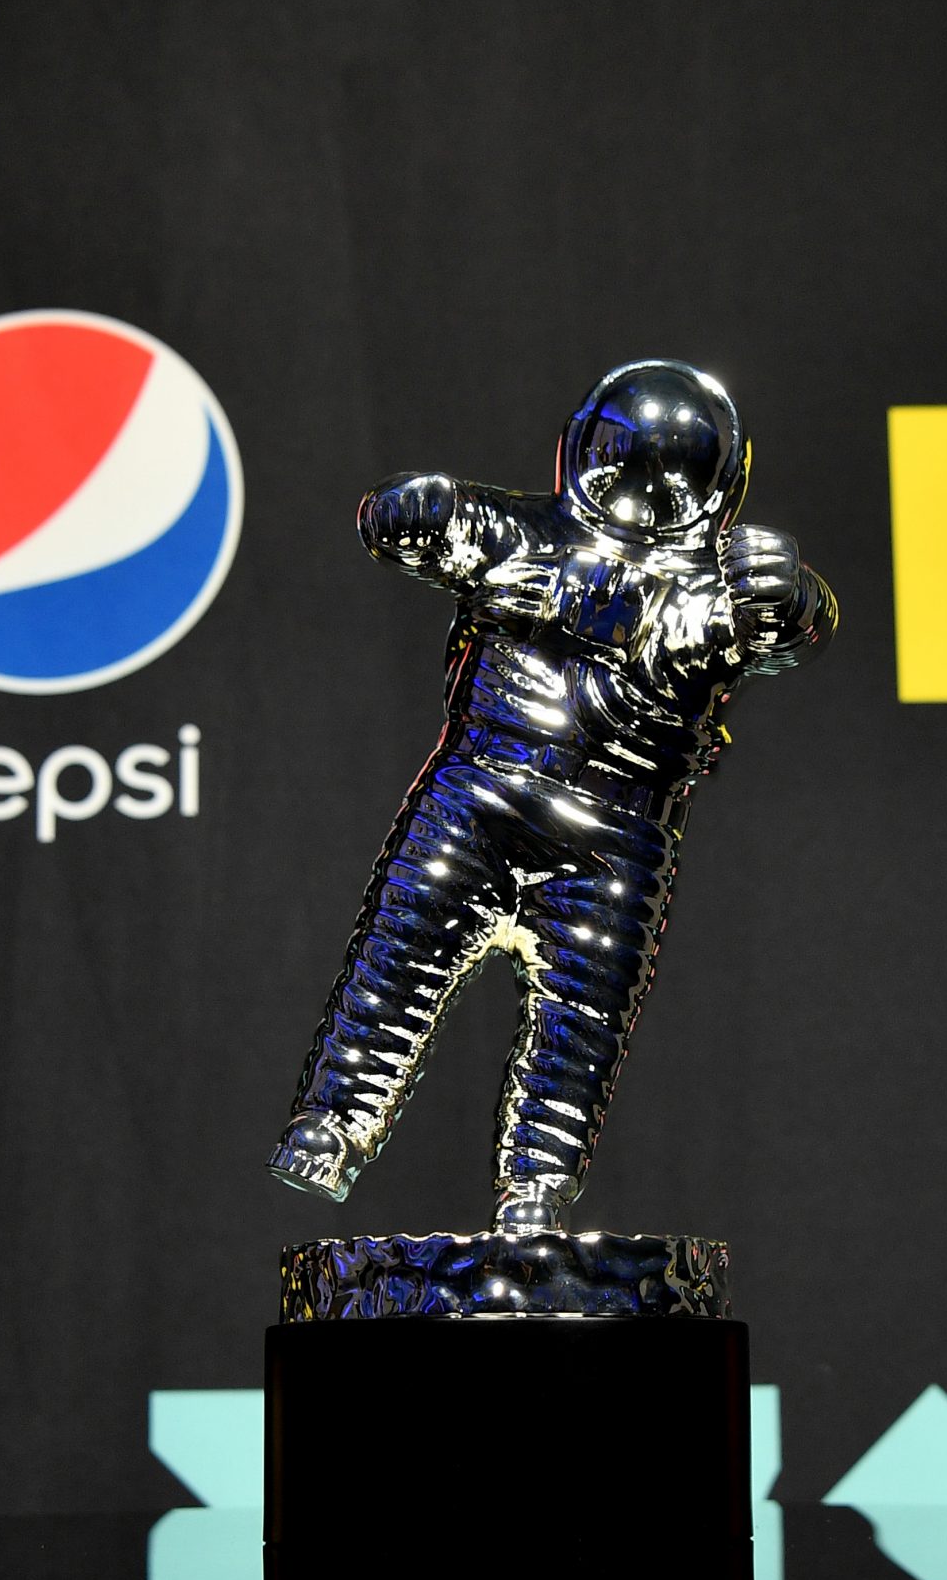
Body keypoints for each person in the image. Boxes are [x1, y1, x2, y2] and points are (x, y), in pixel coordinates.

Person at [268, 359, 837, 1233]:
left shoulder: (720, 586)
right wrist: (415, 509)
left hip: (612, 831)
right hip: (486, 794)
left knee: (576, 1023)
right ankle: (337, 1123)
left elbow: (797, 617)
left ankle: (531, 1186)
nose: (635, 495)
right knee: (404, 965)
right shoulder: (523, 533)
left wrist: (781, 592)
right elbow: (413, 520)